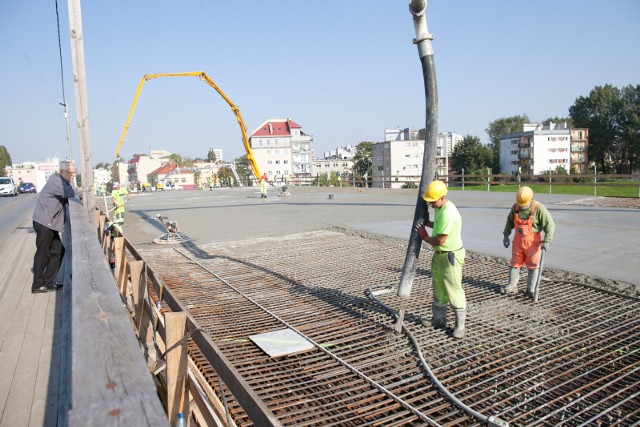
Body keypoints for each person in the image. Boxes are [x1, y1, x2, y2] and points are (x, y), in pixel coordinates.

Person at [415, 180, 467, 339]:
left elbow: (440, 240)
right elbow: (438, 225)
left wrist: (424, 236)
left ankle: (460, 326)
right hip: (439, 255)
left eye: (432, 201)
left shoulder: (448, 213)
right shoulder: (440, 208)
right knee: (438, 287)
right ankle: (438, 319)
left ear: (441, 197)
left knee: (453, 290)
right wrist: (427, 223)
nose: (430, 204)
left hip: (450, 255)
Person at [31, 161, 77, 294]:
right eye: (71, 173)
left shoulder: (58, 180)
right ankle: (38, 284)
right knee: (42, 253)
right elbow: (71, 192)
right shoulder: (57, 182)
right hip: (44, 223)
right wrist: (73, 184)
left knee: (58, 251)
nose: (73, 176)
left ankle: (48, 282)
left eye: (74, 173)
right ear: (63, 172)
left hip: (47, 223)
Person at [502, 186, 555, 297]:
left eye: (524, 205)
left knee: (533, 265)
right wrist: (506, 235)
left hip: (533, 244)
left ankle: (531, 289)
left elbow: (550, 225)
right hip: (518, 242)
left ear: (531, 199)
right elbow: (509, 221)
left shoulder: (539, 208)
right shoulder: (515, 207)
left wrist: (547, 241)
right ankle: (512, 285)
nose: (522, 207)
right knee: (515, 263)